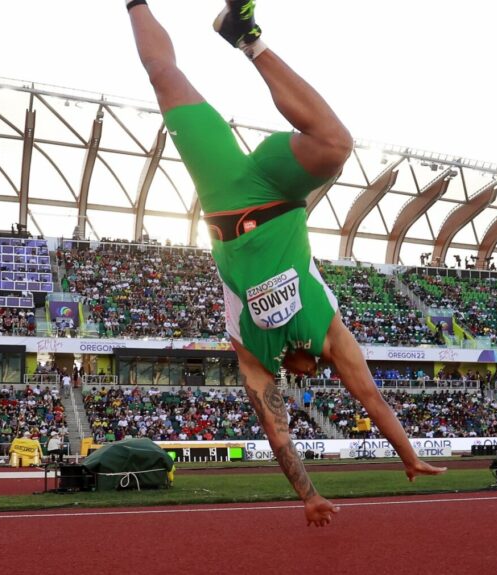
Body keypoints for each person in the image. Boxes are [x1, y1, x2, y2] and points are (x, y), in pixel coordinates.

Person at [125, 0, 445, 527]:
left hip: (224, 196)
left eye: (291, 383)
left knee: (164, 77)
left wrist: (309, 496)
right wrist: (408, 454)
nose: (297, 379)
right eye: (305, 377)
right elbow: (370, 395)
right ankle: (248, 39)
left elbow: (278, 433)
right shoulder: (330, 335)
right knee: (335, 145)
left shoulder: (253, 351)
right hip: (276, 194)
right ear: (315, 368)